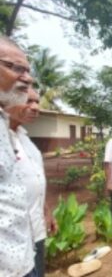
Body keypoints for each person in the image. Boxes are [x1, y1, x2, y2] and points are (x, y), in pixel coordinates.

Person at [7, 87, 57, 277]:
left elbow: (36, 180)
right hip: (11, 238)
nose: (36, 107)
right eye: (28, 101)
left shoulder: (25, 139)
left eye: (37, 101)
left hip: (35, 228)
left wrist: (47, 212)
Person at [0, 36, 37, 277]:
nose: (28, 77)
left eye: (28, 70)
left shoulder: (6, 128)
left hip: (21, 259)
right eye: (16, 68)